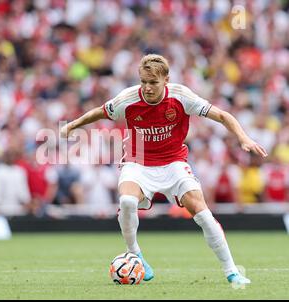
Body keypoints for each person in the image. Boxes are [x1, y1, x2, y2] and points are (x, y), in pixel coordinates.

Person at [60, 54, 268, 286]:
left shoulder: (181, 96)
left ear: (166, 80)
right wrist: (72, 125)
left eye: (153, 83)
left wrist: (243, 137)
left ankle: (232, 272)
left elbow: (221, 115)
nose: (147, 88)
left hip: (173, 162)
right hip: (137, 161)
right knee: (127, 201)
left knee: (203, 213)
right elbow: (98, 112)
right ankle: (136, 254)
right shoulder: (127, 99)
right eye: (143, 82)